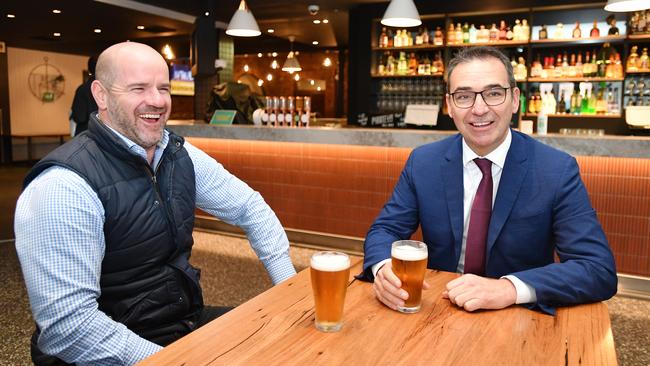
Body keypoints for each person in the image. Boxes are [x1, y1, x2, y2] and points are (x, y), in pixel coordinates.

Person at [15, 41, 296, 365]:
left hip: (179, 324)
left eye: (163, 87)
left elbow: (251, 207)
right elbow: (70, 328)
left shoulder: (176, 154)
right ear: (101, 95)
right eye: (138, 88)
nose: (157, 100)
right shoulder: (62, 186)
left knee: (285, 340)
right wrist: (171, 361)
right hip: (102, 351)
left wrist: (288, 291)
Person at [361, 46, 616, 315]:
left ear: (515, 99)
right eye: (464, 96)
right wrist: (382, 269)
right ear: (449, 106)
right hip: (437, 306)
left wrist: (509, 288)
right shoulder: (423, 162)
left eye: (494, 93)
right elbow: (385, 230)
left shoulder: (556, 169)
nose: (479, 109)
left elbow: (596, 269)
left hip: (517, 315)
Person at [70, 55, 98, 136]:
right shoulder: (110, 89)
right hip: (106, 137)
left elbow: (79, 117)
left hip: (85, 134)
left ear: (89, 70)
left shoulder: (82, 89)